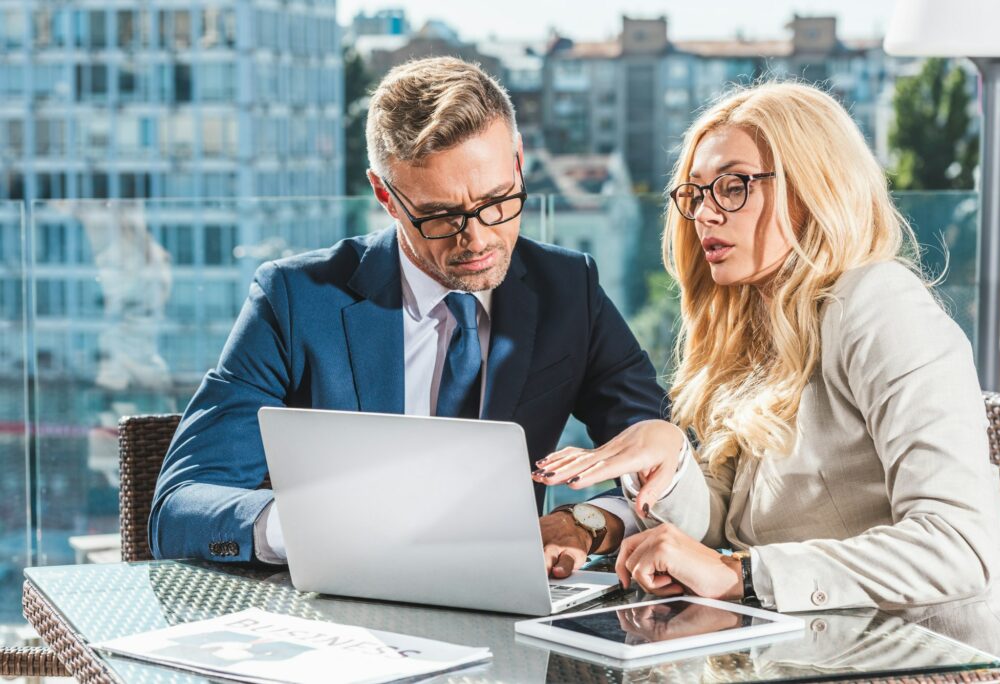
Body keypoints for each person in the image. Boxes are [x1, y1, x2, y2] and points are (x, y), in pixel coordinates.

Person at [537, 82, 1000, 653]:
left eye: (733, 186)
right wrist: (669, 460)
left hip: (943, 656)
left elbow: (959, 547)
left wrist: (741, 575)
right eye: (695, 193)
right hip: (810, 647)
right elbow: (724, 522)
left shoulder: (880, 306)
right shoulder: (748, 324)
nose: (704, 212)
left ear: (813, 189)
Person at [147, 56, 683, 565]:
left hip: (507, 612)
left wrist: (588, 522)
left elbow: (657, 443)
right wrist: (322, 527)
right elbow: (179, 509)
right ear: (385, 194)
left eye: (498, 200)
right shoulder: (294, 300)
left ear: (518, 162)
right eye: (440, 215)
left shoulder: (569, 289)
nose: (478, 240)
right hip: (340, 616)